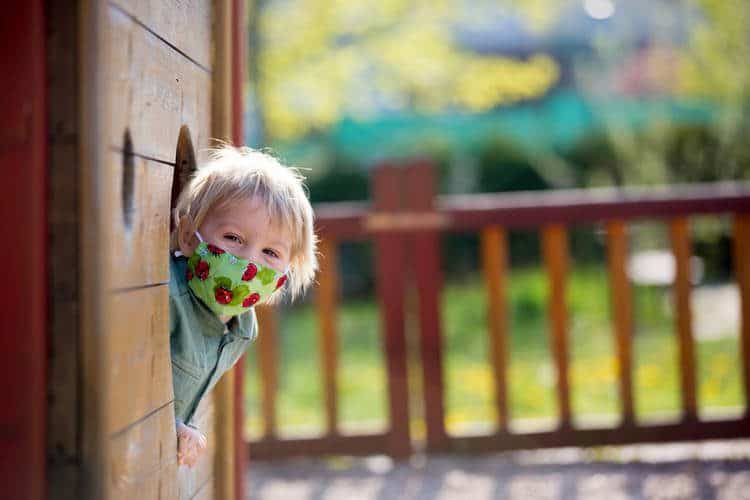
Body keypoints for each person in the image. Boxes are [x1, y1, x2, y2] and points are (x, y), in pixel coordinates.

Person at [169, 144, 317, 467]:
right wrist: (170, 428)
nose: (249, 262)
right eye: (233, 238)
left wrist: (183, 426)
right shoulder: (166, 298)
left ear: (284, 275)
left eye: (271, 253)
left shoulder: (243, 327)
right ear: (188, 237)